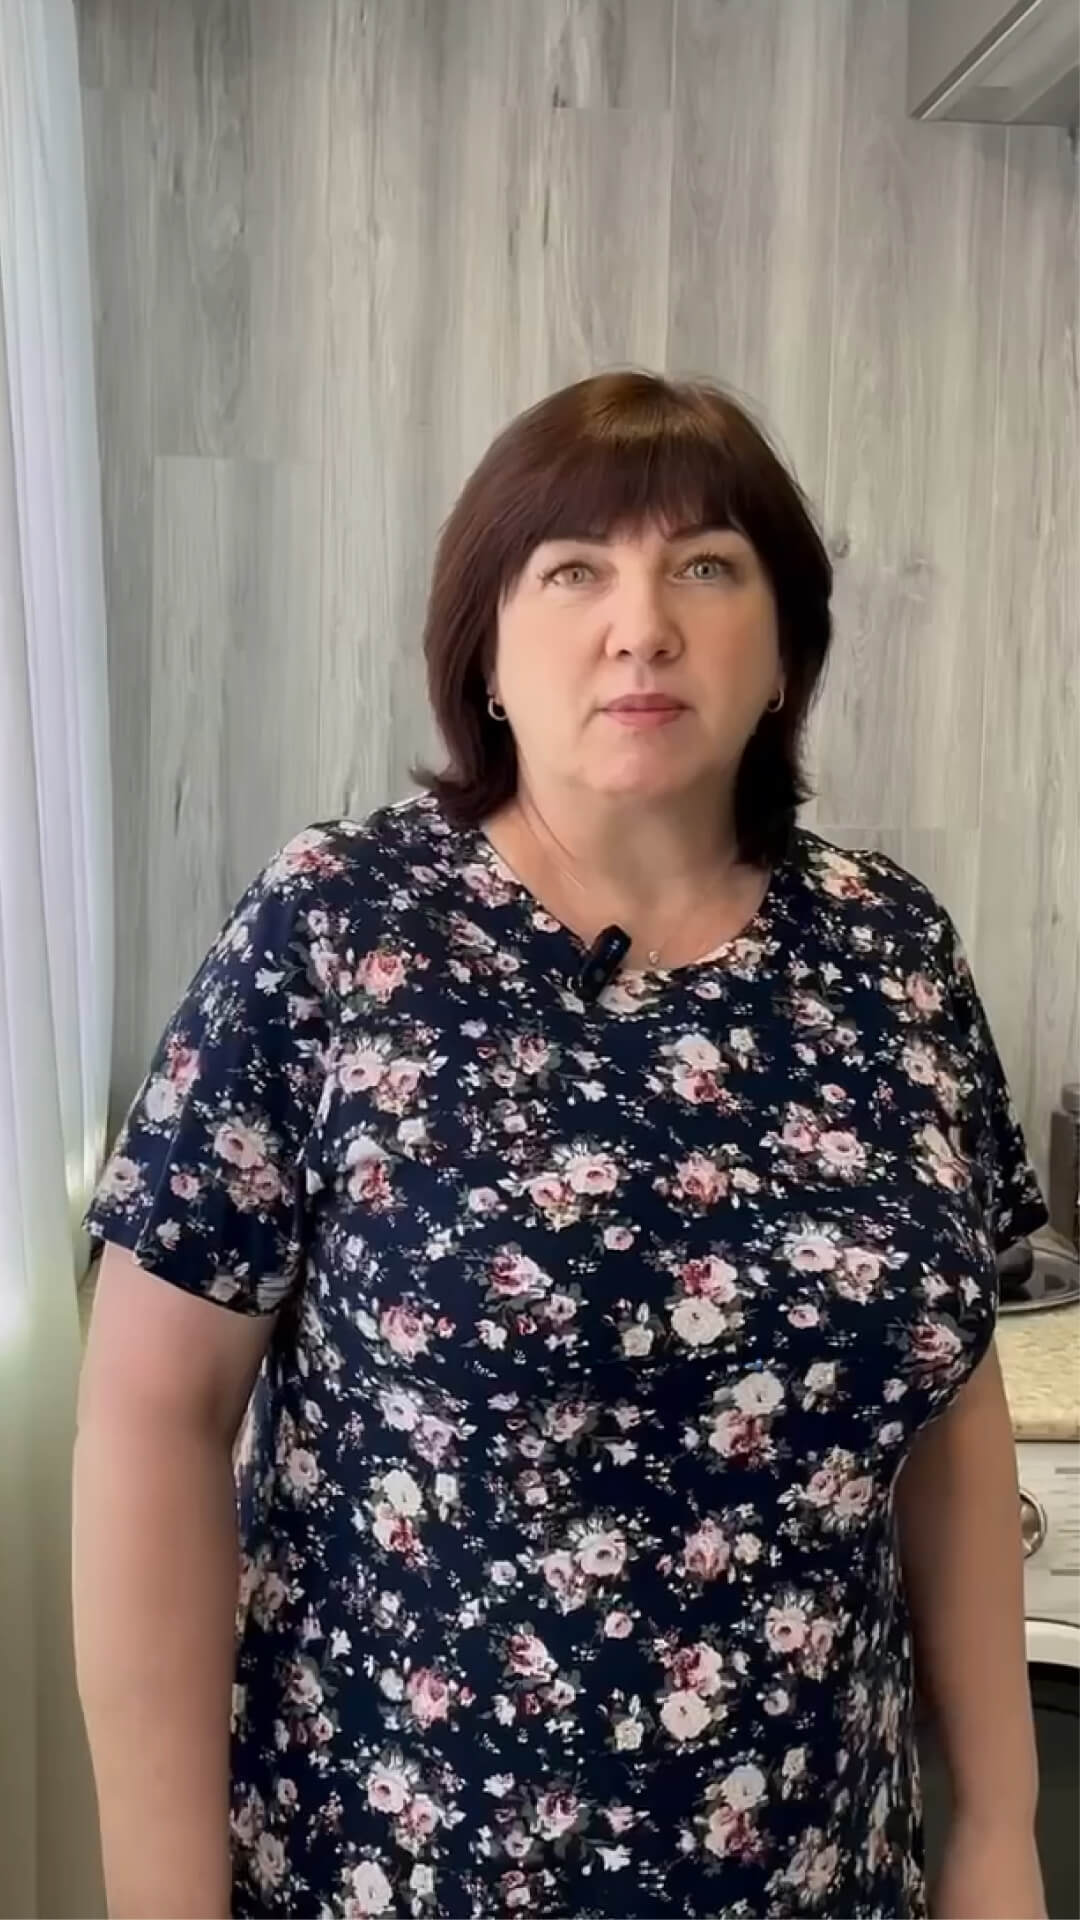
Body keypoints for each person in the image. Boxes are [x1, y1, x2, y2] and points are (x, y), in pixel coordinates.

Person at [73, 370, 1049, 1920]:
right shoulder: (338, 926)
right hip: (402, 1870)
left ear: (785, 653)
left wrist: (998, 1825)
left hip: (819, 1868)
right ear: (487, 649)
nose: (642, 626)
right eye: (575, 569)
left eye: (707, 567)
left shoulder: (894, 950)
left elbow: (947, 1405)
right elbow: (153, 1414)